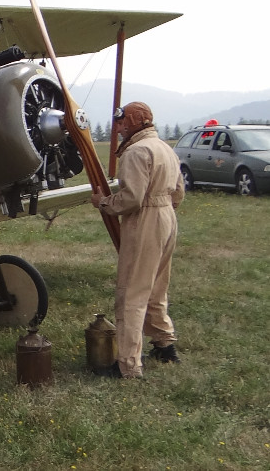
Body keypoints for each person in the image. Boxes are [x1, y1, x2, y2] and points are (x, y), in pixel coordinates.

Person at [91, 101, 185, 379]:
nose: (118, 128)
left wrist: (103, 202)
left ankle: (128, 365)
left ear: (132, 122)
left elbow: (131, 199)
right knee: (156, 286)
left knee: (132, 292)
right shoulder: (165, 148)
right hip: (167, 217)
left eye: (121, 122)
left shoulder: (135, 152)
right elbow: (178, 193)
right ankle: (164, 345)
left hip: (146, 220)